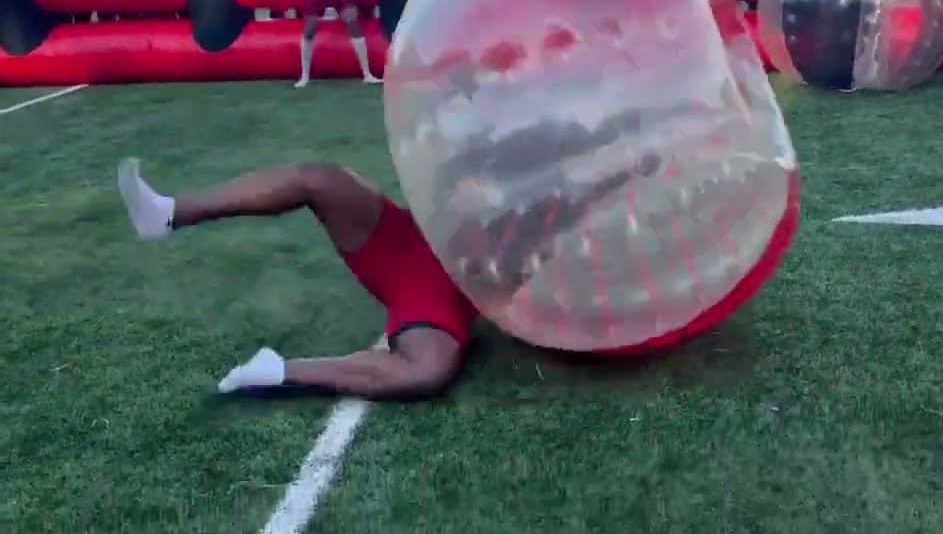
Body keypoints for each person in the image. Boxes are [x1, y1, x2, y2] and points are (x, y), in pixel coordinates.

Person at [114, 145, 661, 398]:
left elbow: (584, 206)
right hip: (406, 248)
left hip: (439, 294)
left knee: (426, 373)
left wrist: (633, 171)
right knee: (318, 177)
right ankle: (166, 213)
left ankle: (280, 371)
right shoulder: (508, 167)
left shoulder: (554, 218)